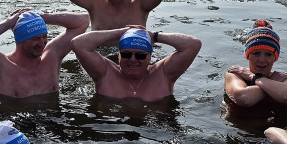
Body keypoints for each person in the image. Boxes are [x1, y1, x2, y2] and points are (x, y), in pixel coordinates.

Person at [0, 9, 90, 98]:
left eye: (44, 37)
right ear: (20, 40)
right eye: (35, 39)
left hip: (51, 125)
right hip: (14, 127)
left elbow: (83, 21)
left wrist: (42, 17)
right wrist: (8, 23)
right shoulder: (1, 66)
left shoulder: (52, 57)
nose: (42, 44)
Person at [72, 26, 201, 101]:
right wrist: (121, 32)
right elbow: (78, 43)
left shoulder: (163, 74)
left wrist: (154, 36)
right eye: (126, 54)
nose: (133, 60)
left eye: (140, 55)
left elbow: (193, 45)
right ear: (119, 55)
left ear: (150, 57)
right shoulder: (105, 72)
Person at [224, 20, 287, 108]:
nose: (262, 60)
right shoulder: (235, 73)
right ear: (247, 56)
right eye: (256, 53)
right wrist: (272, 85)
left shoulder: (282, 77)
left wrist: (253, 78)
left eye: (268, 54)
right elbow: (243, 98)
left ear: (275, 58)